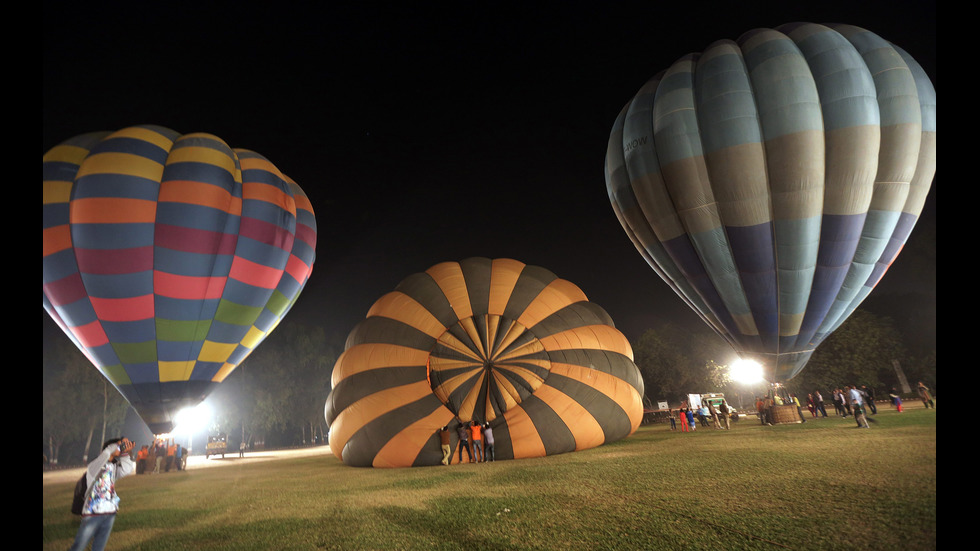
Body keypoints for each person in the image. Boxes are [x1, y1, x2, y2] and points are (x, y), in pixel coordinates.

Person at [68, 437, 136, 551]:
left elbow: (127, 469)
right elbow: (107, 452)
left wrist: (125, 453)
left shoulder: (113, 467)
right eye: (118, 447)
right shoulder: (94, 466)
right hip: (93, 513)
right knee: (78, 547)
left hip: (109, 513)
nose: (120, 448)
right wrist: (117, 444)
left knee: (99, 547)